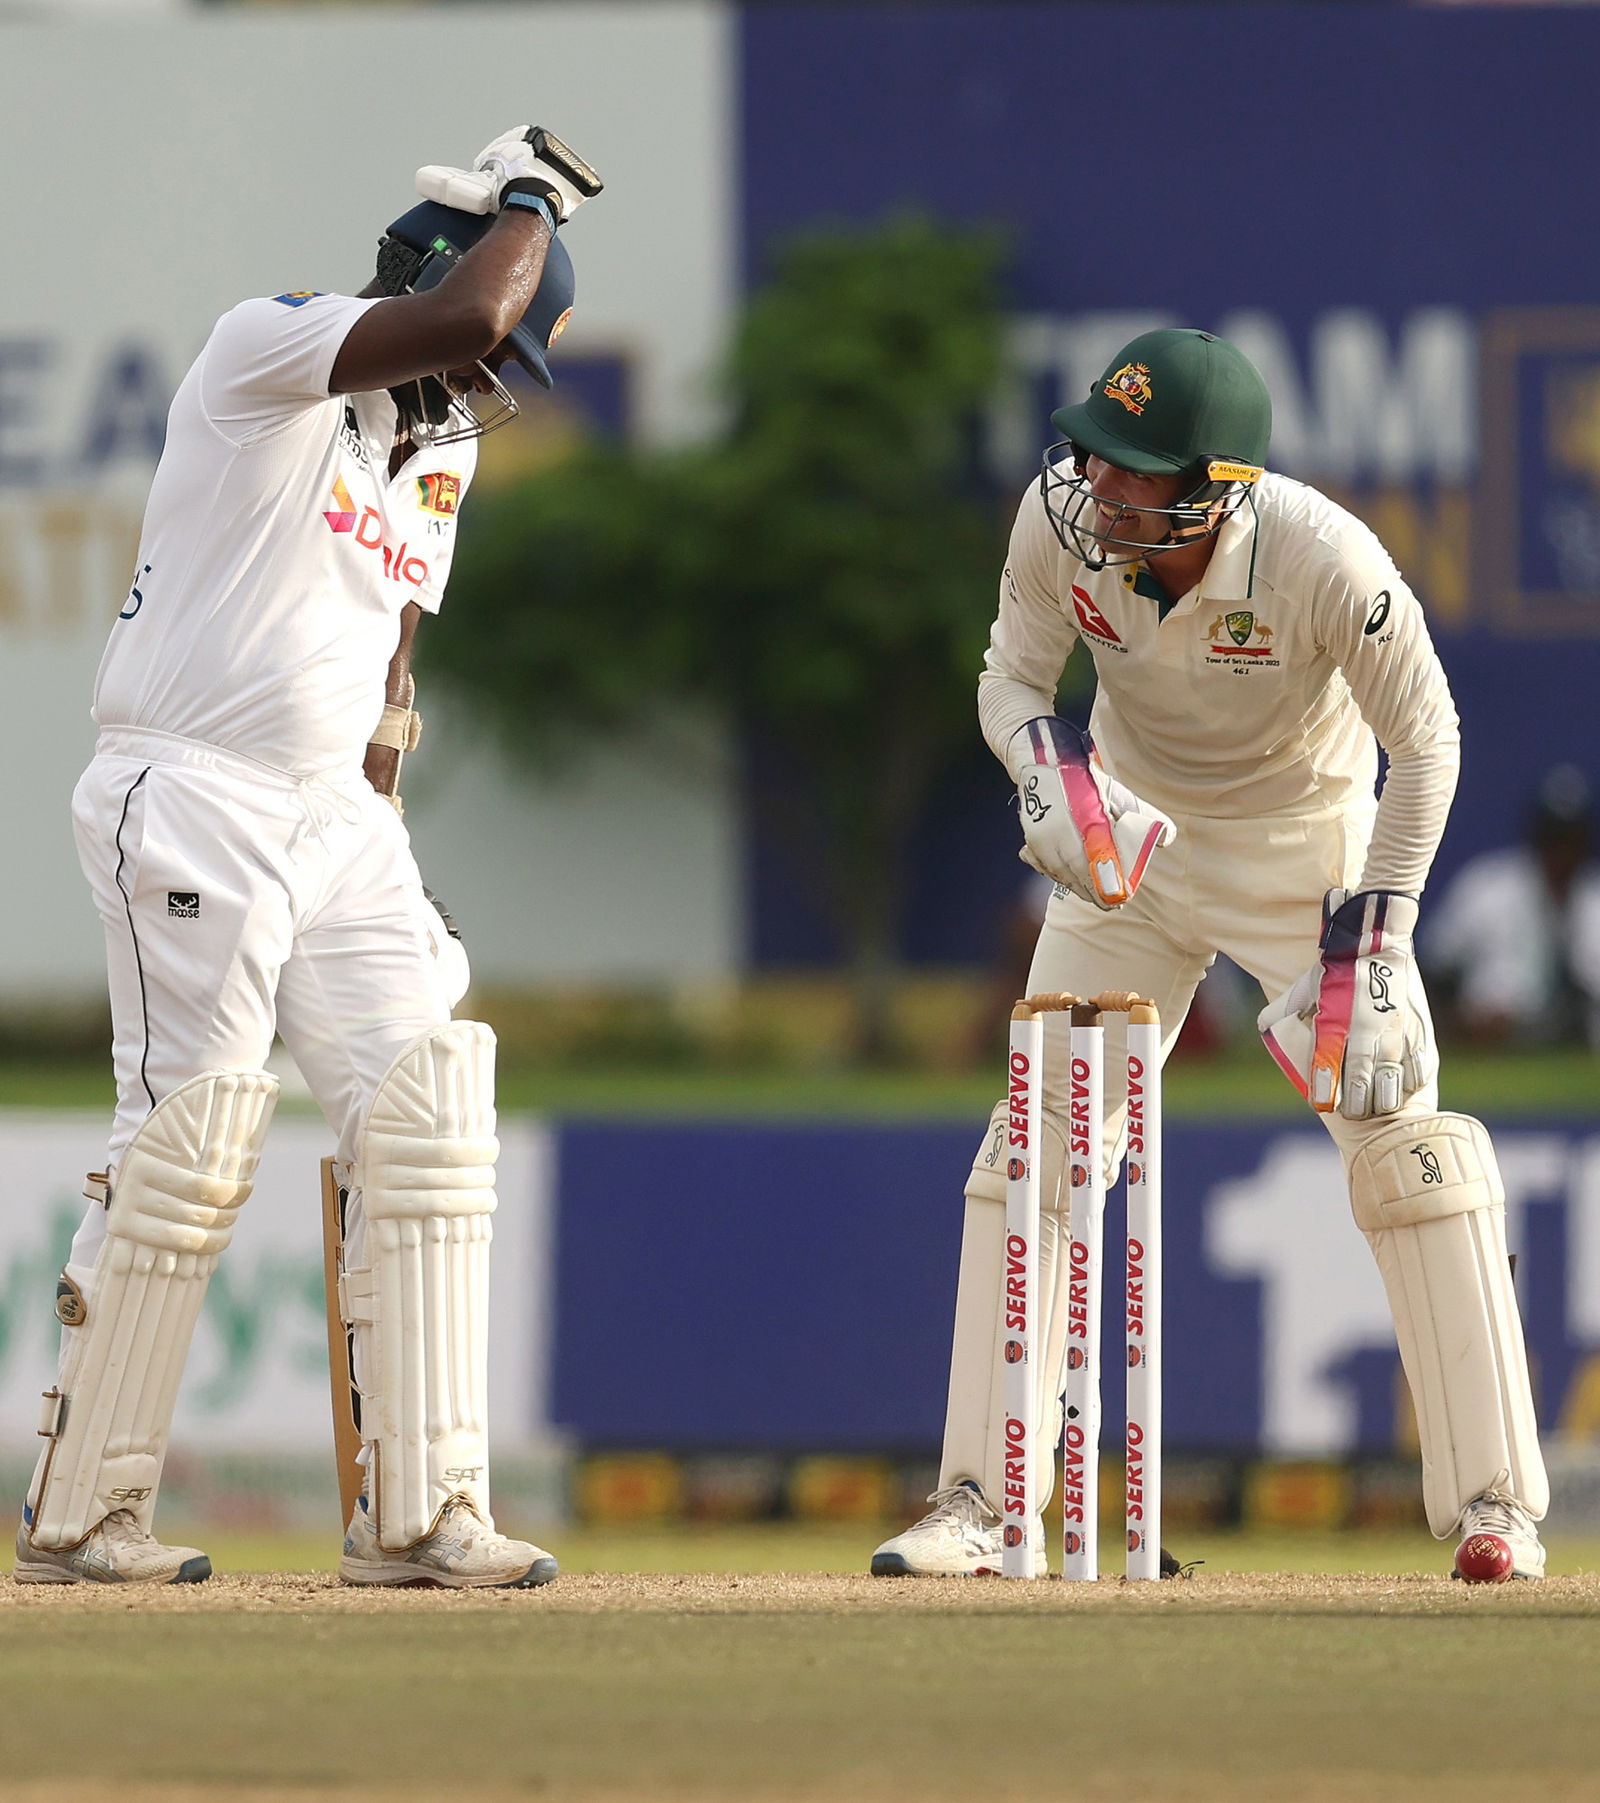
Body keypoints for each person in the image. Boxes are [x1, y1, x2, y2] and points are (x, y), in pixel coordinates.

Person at [16, 127, 601, 1586]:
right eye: (480, 354)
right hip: (191, 784)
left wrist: (380, 815)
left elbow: (396, 631)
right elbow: (469, 311)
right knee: (194, 1133)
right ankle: (83, 1511)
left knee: (428, 1106)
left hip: (335, 814)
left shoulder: (444, 442)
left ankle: (422, 1510)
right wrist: (535, 191)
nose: (479, 382)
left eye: (501, 373)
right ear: (416, 286)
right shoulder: (267, 347)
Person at [871, 328, 1548, 1581]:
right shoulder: (1054, 520)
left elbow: (1430, 741)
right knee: (1038, 1146)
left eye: (1136, 472)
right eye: (1095, 456)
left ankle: (1496, 1509)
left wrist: (1378, 932)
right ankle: (982, 1498)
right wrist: (1050, 773)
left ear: (1218, 485)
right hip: (1131, 843)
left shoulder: (1321, 556)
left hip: (1304, 849)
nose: (1100, 490)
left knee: (1409, 1149)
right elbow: (1010, 680)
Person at [1424, 766, 1600, 1048]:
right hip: (1487, 1047)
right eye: (1553, 841)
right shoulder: (1489, 887)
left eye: (1570, 842)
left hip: (1574, 1049)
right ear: (1536, 839)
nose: (1561, 854)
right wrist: (1452, 1018)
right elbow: (1435, 969)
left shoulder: (1594, 902)